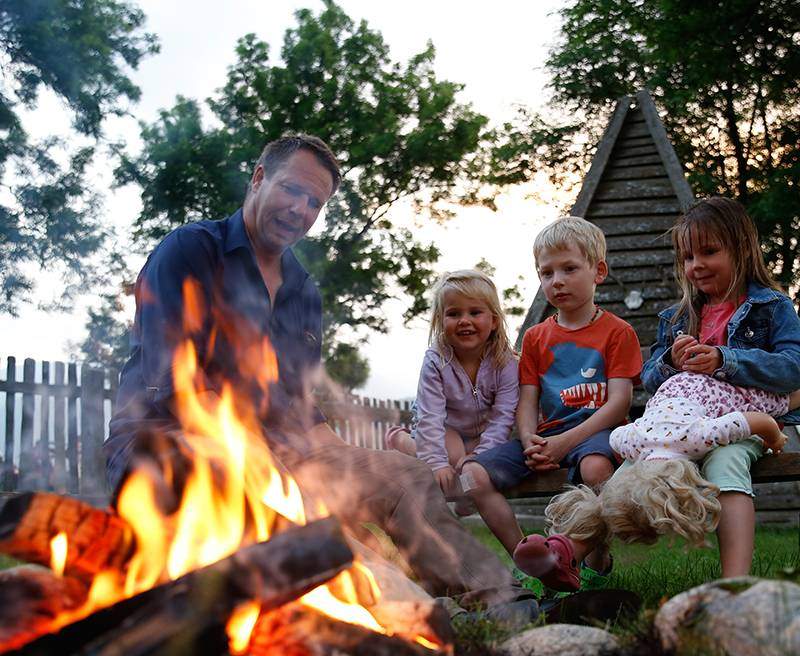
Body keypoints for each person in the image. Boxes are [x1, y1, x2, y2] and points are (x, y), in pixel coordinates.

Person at [104, 133, 538, 620]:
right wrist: (278, 471)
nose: (300, 209)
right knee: (281, 495)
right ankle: (402, 609)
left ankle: (496, 597)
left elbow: (298, 403)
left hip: (276, 449)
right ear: (259, 177)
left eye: (315, 202)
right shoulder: (192, 250)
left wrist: (343, 461)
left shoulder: (303, 291)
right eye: (291, 190)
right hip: (167, 448)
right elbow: (178, 382)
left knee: (402, 475)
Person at [460, 217, 642, 581]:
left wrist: (564, 444)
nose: (556, 280)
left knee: (595, 471)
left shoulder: (618, 332)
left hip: (597, 434)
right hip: (546, 436)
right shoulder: (535, 337)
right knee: (473, 475)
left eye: (569, 269)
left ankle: (595, 562)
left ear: (598, 271)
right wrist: (529, 438)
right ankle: (532, 562)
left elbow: (619, 404)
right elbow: (527, 399)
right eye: (546, 273)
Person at [515, 371, 799, 590]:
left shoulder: (671, 438)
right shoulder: (686, 437)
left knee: (782, 402)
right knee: (617, 492)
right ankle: (566, 553)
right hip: (680, 393)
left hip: (707, 390)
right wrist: (774, 439)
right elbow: (760, 421)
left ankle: (567, 546)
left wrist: (773, 437)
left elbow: (759, 417)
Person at [639, 196, 800, 576]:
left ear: (741, 249)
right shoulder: (678, 316)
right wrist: (670, 363)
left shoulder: (772, 307)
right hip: (687, 423)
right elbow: (649, 380)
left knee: (725, 464)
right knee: (629, 467)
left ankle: (734, 583)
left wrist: (726, 360)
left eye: (709, 252)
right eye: (688, 257)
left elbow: (793, 369)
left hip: (752, 422)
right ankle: (579, 561)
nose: (697, 266)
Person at [385, 269, 518, 514]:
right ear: (440, 319)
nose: (464, 320)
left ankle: (467, 495)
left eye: (475, 312)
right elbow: (431, 417)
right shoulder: (436, 361)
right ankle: (401, 440)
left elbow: (503, 418)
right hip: (445, 426)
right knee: (454, 456)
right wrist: (436, 464)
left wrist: (478, 458)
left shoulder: (505, 363)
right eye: (454, 313)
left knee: (470, 463)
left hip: (481, 431)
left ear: (494, 320)